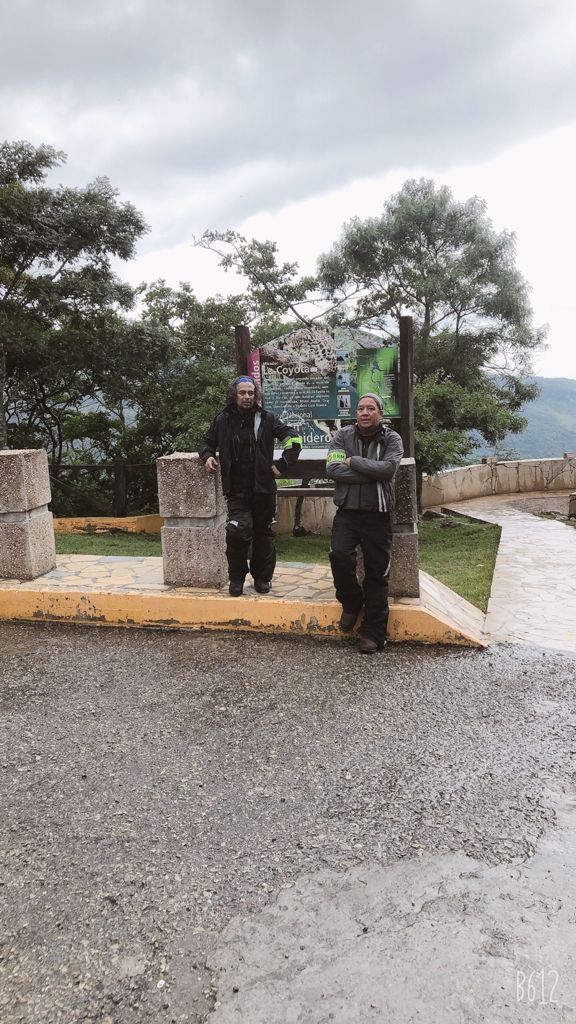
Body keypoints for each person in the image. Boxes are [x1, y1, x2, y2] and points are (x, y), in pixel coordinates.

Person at [199, 376, 302, 596]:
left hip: (264, 489)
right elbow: (206, 442)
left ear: (256, 395)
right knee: (237, 532)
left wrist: (283, 464)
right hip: (236, 490)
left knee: (263, 535)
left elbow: (293, 439)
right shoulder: (223, 419)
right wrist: (207, 456)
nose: (247, 397)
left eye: (251, 393)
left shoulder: (267, 418)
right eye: (242, 393)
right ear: (234, 395)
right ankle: (236, 578)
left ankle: (262, 579)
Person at [326, 393, 403, 653]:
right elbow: (333, 469)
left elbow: (388, 471)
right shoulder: (342, 436)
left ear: (381, 413)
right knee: (339, 556)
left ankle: (373, 633)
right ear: (355, 413)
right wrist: (371, 473)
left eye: (371, 408)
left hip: (378, 515)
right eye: (361, 408)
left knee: (376, 575)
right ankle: (351, 601)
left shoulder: (392, 438)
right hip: (347, 513)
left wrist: (355, 462)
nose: (365, 412)